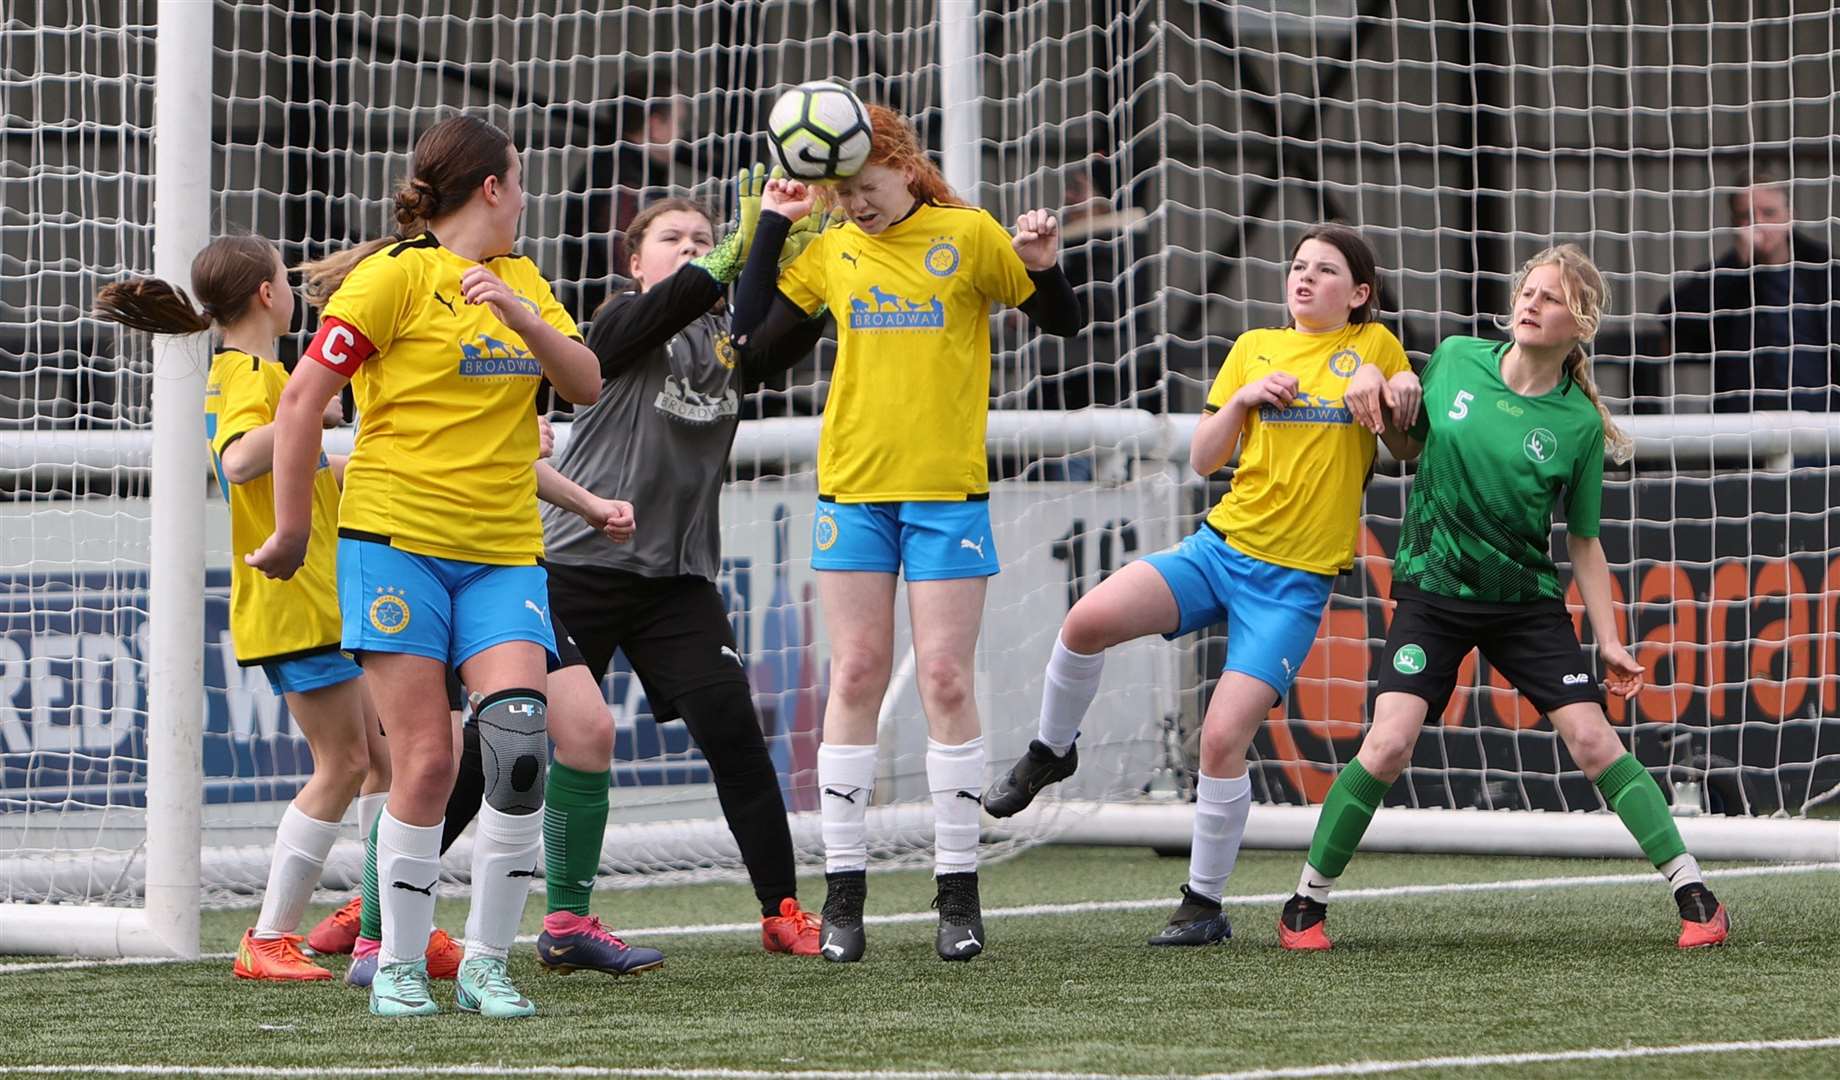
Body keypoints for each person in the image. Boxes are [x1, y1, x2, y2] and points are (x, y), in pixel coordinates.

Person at [248, 114, 603, 1018]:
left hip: (502, 556)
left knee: (520, 747)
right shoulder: (394, 279)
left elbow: (586, 381)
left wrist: (522, 316)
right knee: (427, 763)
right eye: (519, 180)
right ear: (491, 188)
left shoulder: (522, 280)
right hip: (396, 548)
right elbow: (300, 404)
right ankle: (399, 961)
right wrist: (292, 531)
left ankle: (487, 959)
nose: (525, 198)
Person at [1277, 243, 1730, 952]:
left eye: (1549, 298)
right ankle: (1305, 903)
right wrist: (1376, 382)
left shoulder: (1578, 425)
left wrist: (1609, 639)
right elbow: (1406, 446)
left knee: (1591, 740)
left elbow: (1584, 542)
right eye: (1528, 291)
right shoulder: (1456, 357)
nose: (1529, 303)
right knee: (1389, 743)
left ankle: (1695, 894)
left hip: (1524, 604)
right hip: (1431, 592)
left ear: (1579, 324)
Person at [982, 224, 1417, 946]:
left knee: (1220, 738)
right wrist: (1243, 398)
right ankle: (1052, 751)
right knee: (1086, 621)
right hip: (1218, 550)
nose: (1304, 278)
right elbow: (1203, 458)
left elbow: (1405, 446)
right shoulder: (1254, 347)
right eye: (1299, 266)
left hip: (1292, 585)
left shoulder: (1374, 347)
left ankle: (1203, 905)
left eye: (1325, 271)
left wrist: (1395, 387)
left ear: (1360, 293)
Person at [730, 104, 1085, 962]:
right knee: (852, 672)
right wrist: (775, 228)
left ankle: (956, 893)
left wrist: (1045, 267)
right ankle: (843, 896)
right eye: (839, 192)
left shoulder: (966, 235)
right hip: (852, 492)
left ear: (901, 165)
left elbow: (1064, 323)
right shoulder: (831, 249)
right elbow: (747, 350)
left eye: (864, 187)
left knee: (944, 680)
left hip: (945, 495)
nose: (853, 205)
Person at [536, 179, 834, 965]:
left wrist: (819, 252)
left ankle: (782, 911)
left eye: (705, 239)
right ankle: (375, 904)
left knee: (734, 729)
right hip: (578, 565)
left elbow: (786, 325)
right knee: (512, 743)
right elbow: (654, 318)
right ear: (635, 261)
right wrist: (749, 236)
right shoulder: (617, 321)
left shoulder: (728, 344)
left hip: (675, 581)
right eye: (674, 238)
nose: (695, 249)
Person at [92, 235, 403, 981]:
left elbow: (293, 459)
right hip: (290, 597)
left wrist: (351, 446)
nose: (295, 290)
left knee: (386, 763)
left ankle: (382, 920)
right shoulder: (248, 374)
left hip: (324, 593)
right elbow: (239, 459)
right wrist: (313, 410)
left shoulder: (267, 375)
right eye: (284, 279)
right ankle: (268, 939)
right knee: (347, 763)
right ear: (268, 295)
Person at [1655, 170, 1840, 412]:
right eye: (1746, 215)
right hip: (1747, 422)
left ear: (1790, 216)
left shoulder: (1825, 268)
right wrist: (1739, 264)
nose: (1758, 223)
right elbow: (1673, 313)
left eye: (1769, 213)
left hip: (1823, 422)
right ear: (1734, 223)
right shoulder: (1728, 274)